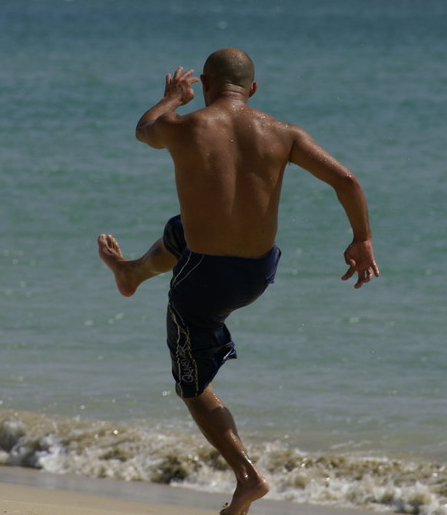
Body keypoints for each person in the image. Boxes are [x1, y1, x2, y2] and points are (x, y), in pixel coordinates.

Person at [98, 48, 379, 515]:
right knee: (181, 228)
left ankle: (247, 476)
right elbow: (347, 181)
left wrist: (170, 98)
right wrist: (362, 239)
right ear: (252, 90)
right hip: (256, 272)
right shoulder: (284, 134)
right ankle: (131, 273)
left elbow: (143, 129)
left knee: (190, 382)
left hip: (206, 278)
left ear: (205, 84)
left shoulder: (185, 126)